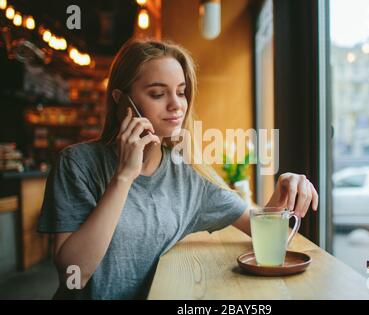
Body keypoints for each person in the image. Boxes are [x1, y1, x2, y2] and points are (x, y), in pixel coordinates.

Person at [38, 38, 318, 300]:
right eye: (158, 93)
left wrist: (286, 190)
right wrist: (123, 177)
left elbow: (262, 231)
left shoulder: (188, 175)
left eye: (181, 92)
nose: (176, 105)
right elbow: (74, 274)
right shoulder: (76, 164)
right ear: (121, 99)